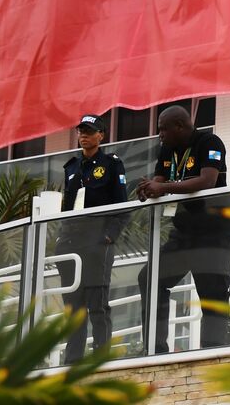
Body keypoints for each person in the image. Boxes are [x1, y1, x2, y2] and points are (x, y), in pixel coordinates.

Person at [135, 105, 230, 354]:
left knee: (211, 290)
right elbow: (159, 180)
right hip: (184, 231)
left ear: (179, 126)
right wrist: (149, 187)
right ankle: (155, 349)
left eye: (163, 129)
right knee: (149, 277)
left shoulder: (209, 141)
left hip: (216, 230)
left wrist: (165, 187)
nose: (159, 134)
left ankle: (212, 352)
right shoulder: (167, 149)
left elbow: (207, 180)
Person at [54, 114, 127, 365]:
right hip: (71, 242)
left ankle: (100, 359)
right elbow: (67, 206)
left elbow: (121, 206)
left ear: (101, 136)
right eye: (81, 131)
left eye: (89, 131)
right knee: (73, 307)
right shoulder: (72, 166)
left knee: (97, 303)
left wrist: (109, 236)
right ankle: (73, 360)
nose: (83, 135)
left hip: (97, 242)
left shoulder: (111, 164)